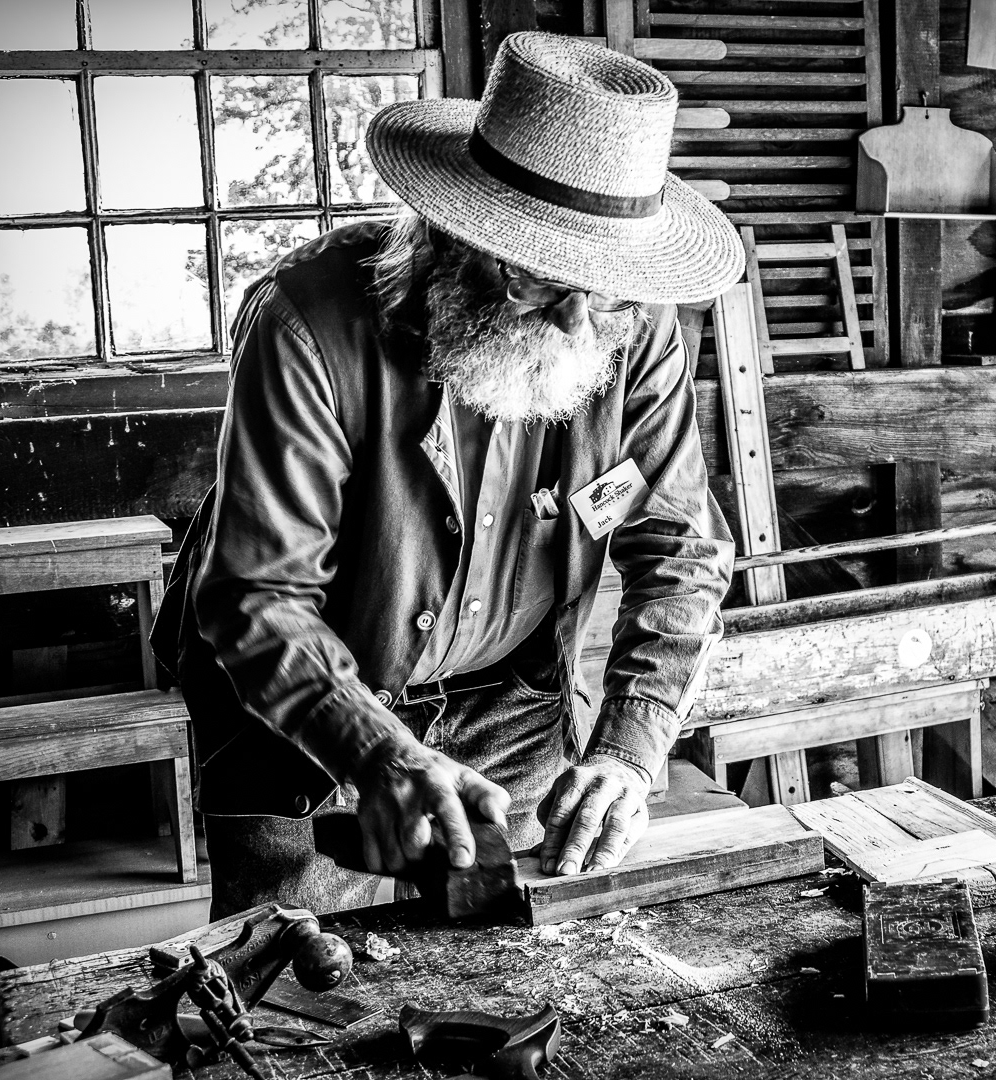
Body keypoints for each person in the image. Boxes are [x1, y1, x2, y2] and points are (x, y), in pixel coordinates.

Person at [154, 32, 744, 917]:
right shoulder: (307, 322)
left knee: (529, 969)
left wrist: (628, 749)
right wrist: (380, 752)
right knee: (298, 986)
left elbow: (682, 549)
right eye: (539, 281)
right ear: (452, 236)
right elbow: (259, 596)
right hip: (308, 715)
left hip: (513, 703)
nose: (579, 322)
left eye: (608, 288)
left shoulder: (631, 324)